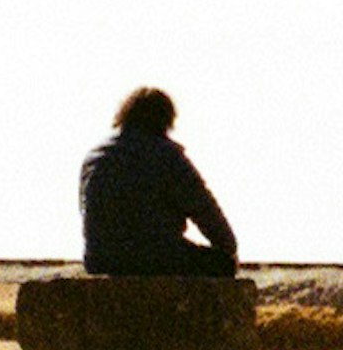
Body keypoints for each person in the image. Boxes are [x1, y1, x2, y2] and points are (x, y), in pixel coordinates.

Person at [78, 86, 239, 279]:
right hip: (155, 256)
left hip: (100, 259)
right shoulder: (166, 155)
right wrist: (228, 248)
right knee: (222, 265)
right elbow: (204, 209)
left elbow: (86, 209)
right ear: (166, 120)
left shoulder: (95, 157)